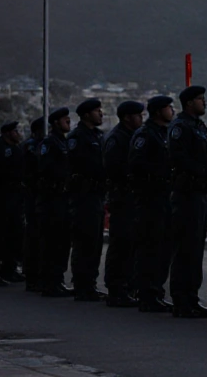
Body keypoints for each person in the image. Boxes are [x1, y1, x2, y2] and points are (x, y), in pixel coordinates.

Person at [167, 85, 207, 318]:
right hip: (186, 194)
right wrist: (204, 171)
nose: (204, 102)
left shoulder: (199, 126)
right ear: (188, 103)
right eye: (200, 99)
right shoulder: (180, 127)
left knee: (195, 249)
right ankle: (181, 299)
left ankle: (191, 298)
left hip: (199, 194)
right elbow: (179, 158)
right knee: (185, 249)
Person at [130, 95, 175, 313]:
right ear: (158, 111)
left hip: (164, 197)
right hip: (150, 198)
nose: (171, 111)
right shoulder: (145, 135)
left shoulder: (164, 133)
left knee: (164, 248)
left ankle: (156, 290)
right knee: (150, 247)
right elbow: (138, 165)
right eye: (168, 107)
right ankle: (146, 293)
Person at [103, 100, 144, 308]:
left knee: (131, 244)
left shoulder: (133, 136)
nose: (141, 119)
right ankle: (116, 289)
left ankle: (128, 286)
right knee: (121, 243)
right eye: (138, 115)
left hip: (132, 198)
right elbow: (115, 170)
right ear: (127, 117)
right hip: (122, 198)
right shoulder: (117, 139)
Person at [68, 98, 107, 301]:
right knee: (85, 241)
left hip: (97, 195)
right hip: (83, 196)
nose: (101, 114)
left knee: (95, 242)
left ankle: (90, 283)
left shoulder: (98, 136)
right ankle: (81, 284)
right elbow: (78, 166)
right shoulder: (78, 137)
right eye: (97, 111)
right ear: (85, 115)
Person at [38, 107, 73, 297]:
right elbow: (45, 170)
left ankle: (57, 279)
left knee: (62, 242)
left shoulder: (63, 142)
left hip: (63, 198)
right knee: (52, 242)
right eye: (64, 118)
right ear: (55, 123)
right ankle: (49, 282)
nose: (68, 120)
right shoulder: (49, 143)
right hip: (52, 200)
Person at [0, 121, 25, 286]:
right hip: (0, 197)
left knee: (13, 235)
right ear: (8, 133)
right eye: (15, 131)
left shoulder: (17, 147)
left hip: (15, 197)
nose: (18, 133)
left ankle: (9, 270)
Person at [22, 117, 45, 292]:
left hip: (40, 196)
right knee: (34, 236)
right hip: (33, 195)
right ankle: (32, 276)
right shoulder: (32, 146)